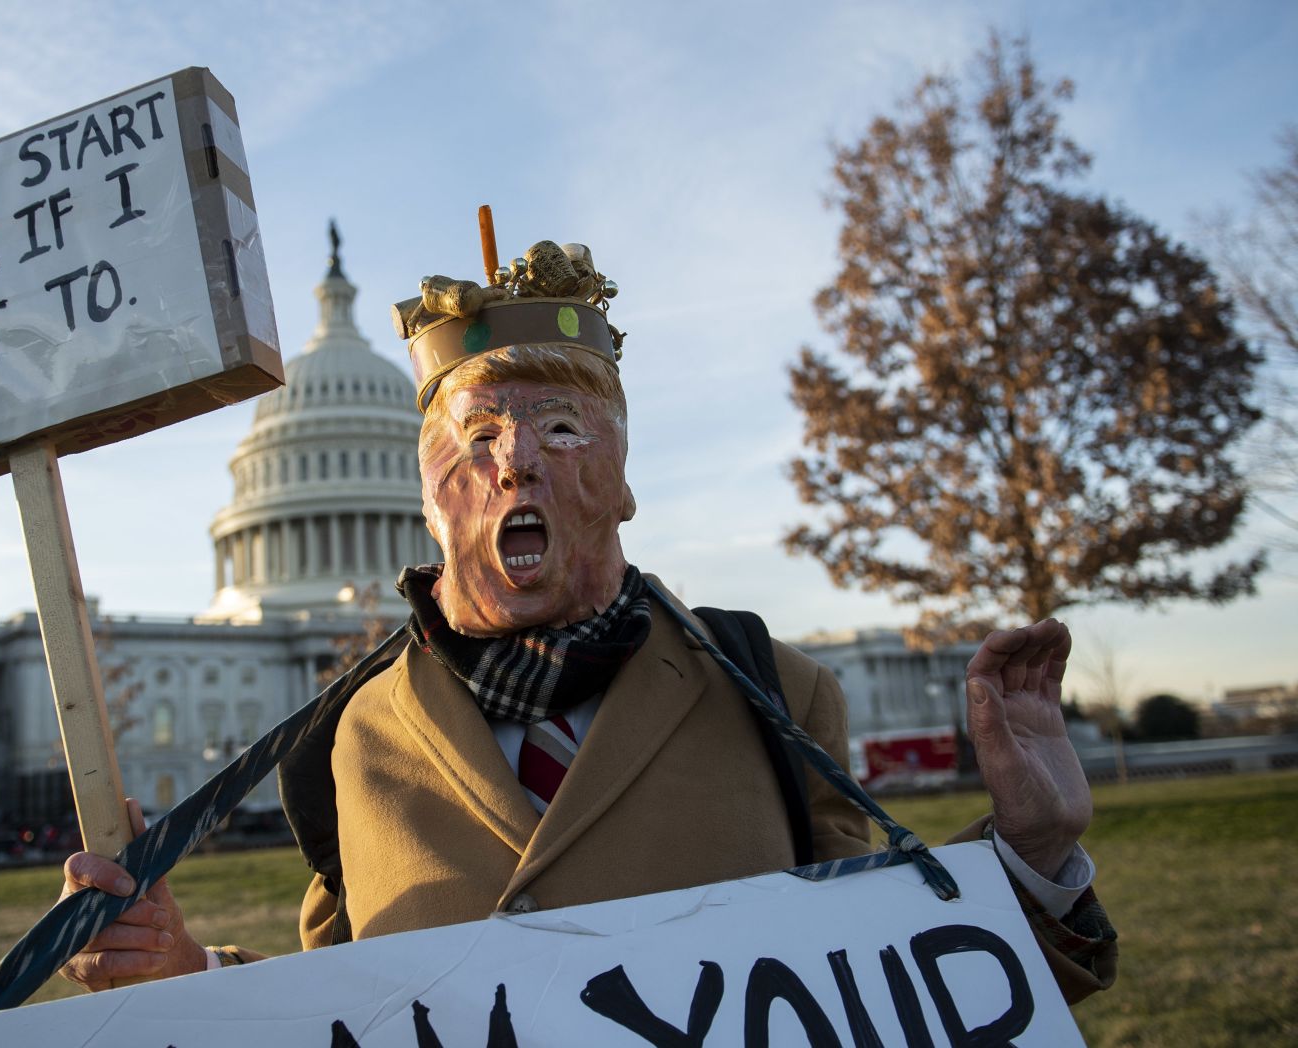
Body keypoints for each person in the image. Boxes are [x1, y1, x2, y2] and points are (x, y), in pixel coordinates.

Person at [59, 238, 1116, 1002]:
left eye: (560, 428)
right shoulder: (340, 740)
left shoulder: (775, 691)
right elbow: (350, 999)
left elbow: (885, 974)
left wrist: (1028, 853)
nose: (513, 459)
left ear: (620, 480)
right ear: (424, 500)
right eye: (473, 439)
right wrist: (189, 975)